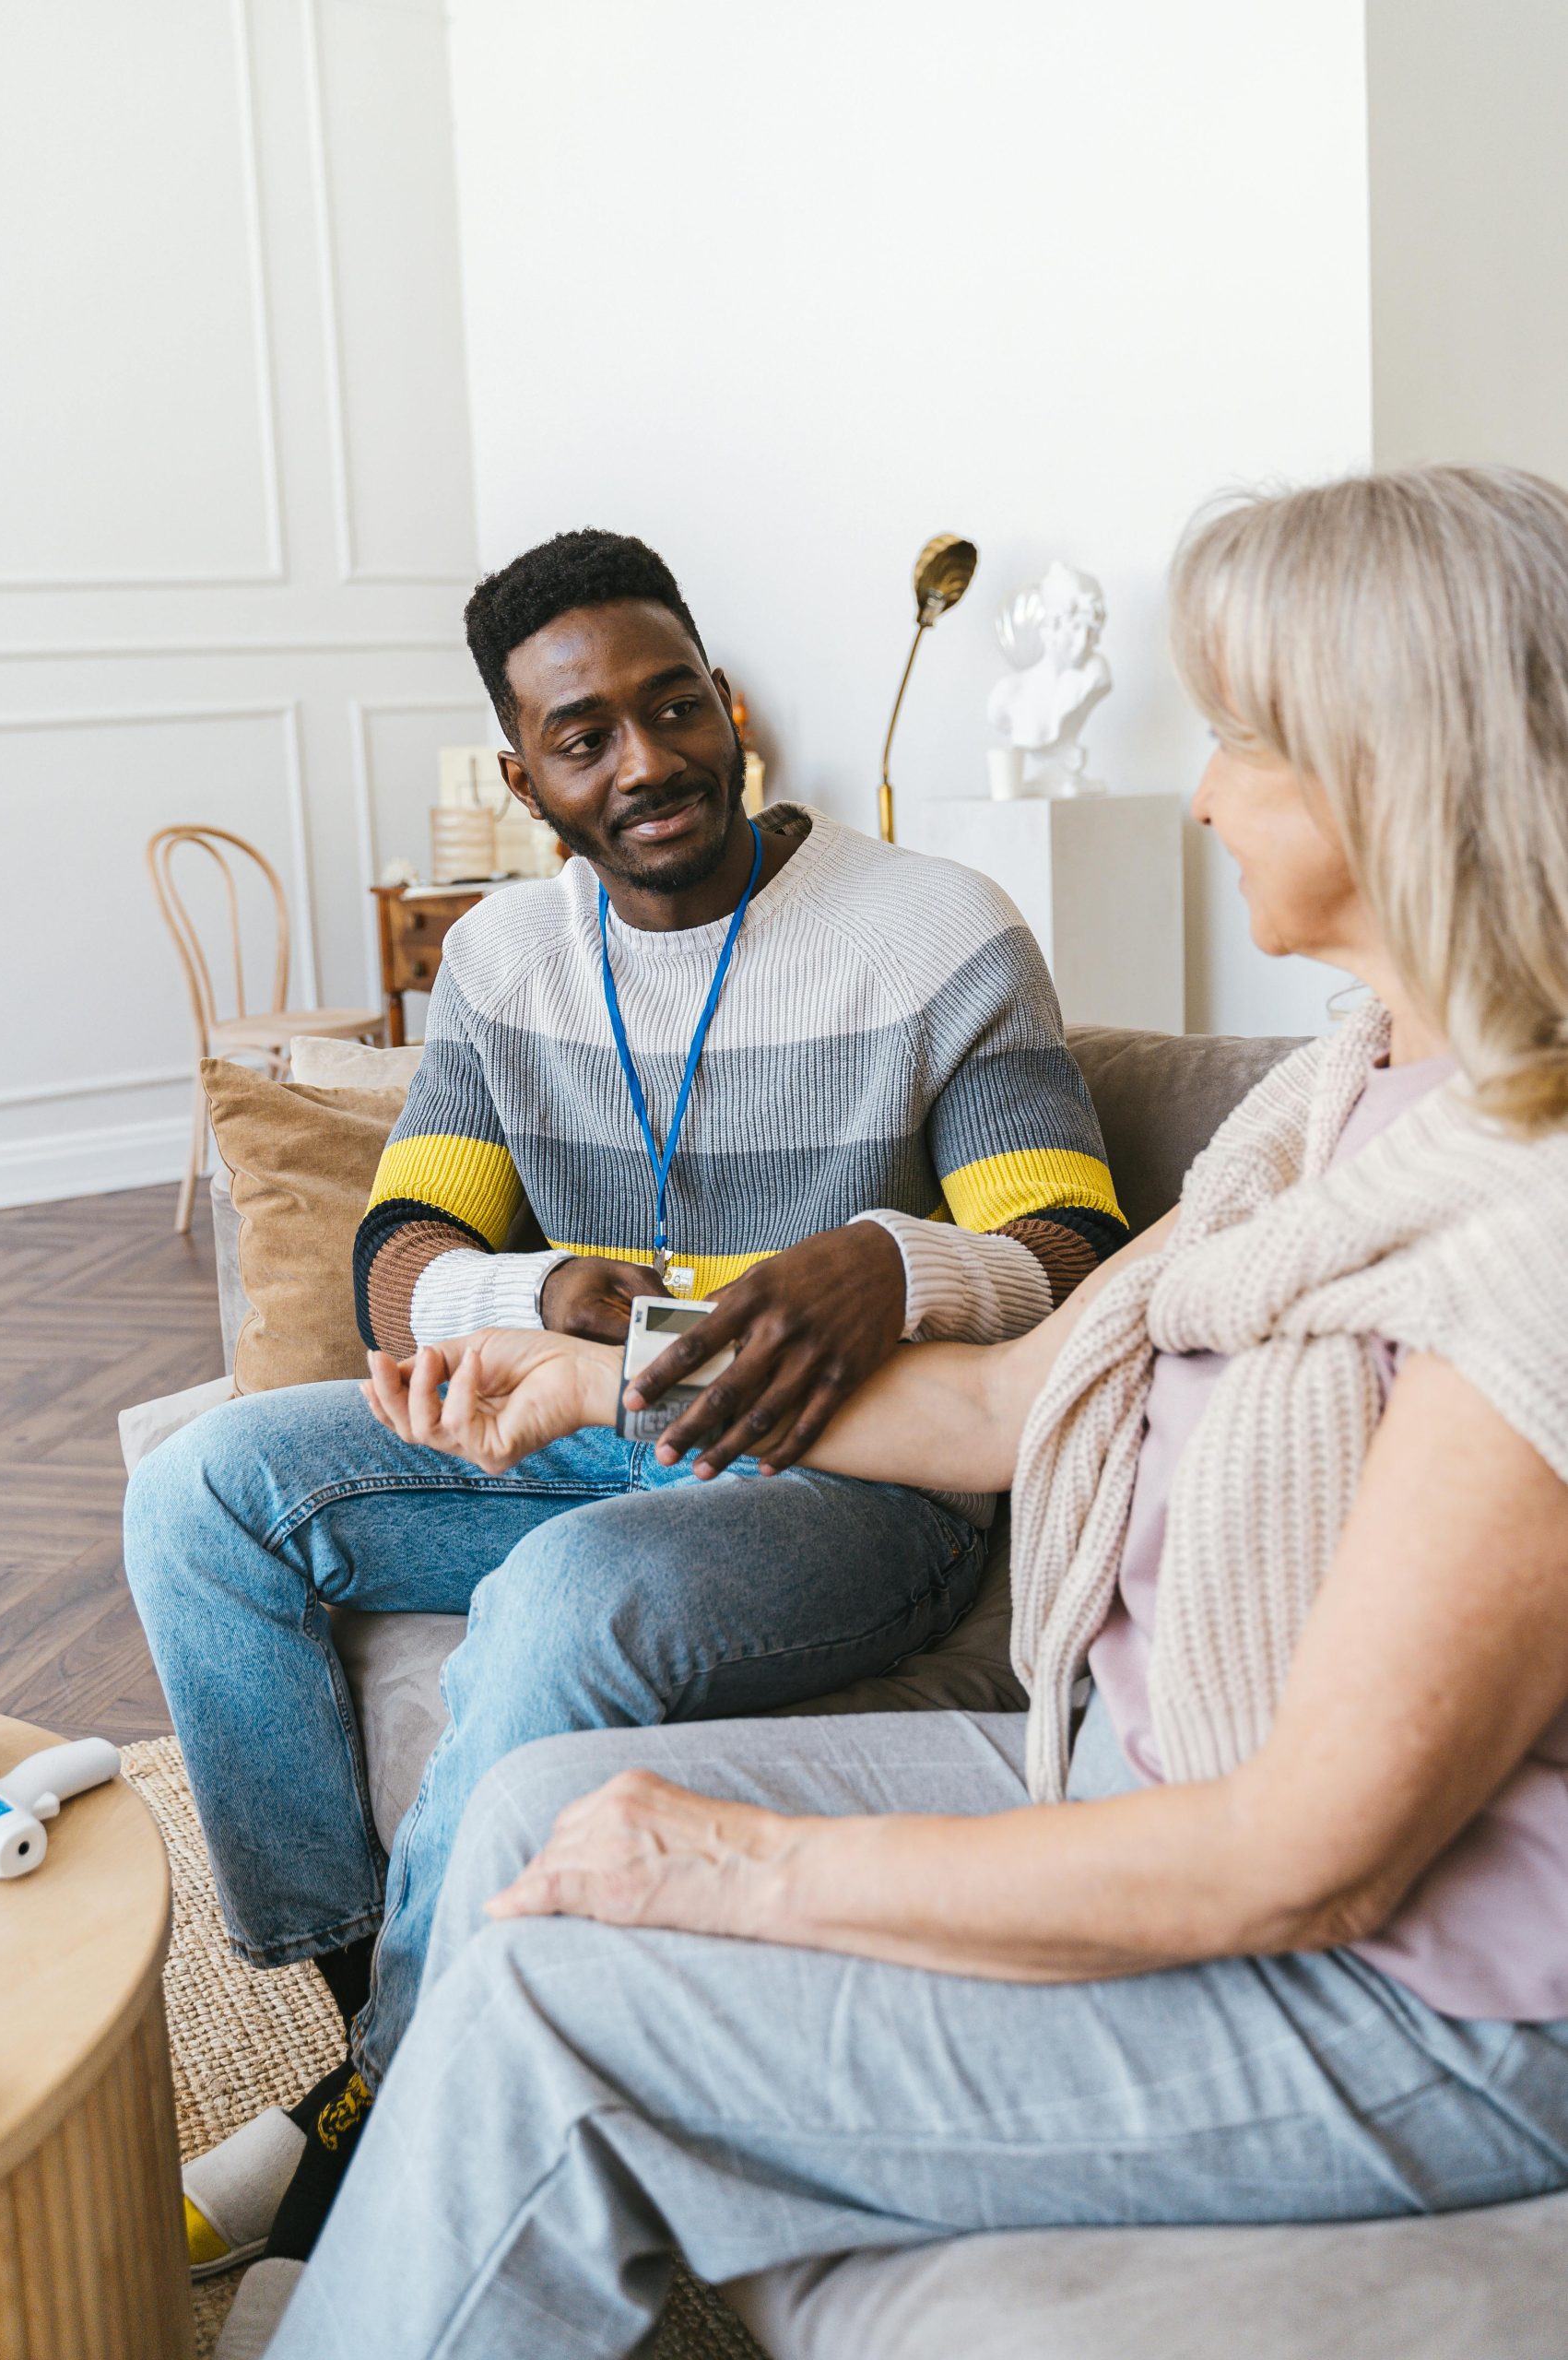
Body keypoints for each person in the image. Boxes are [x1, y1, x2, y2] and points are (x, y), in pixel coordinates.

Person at [250, 466, 1568, 2359]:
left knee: (570, 1988)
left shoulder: (1522, 1233)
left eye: (1242, 740)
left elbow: (1309, 1849)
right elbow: (1023, 1398)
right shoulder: (1339, 1093)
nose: (1196, 791)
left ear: (1396, 768)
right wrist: (603, 1373)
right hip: (1142, 1768)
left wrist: (752, 1865)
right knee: (537, 1799)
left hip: (1416, 1996)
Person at [124, 529, 1124, 2272]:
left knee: (569, 1597)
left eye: (675, 706)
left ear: (723, 702)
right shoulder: (507, 962)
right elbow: (402, 1253)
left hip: (848, 1485)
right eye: (585, 737)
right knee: (198, 1492)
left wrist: (893, 1262)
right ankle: (378, 2025)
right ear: (526, 778)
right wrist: (538, 1295)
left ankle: (376, 2124)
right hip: (571, 1427)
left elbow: (1069, 1244)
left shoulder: (938, 929)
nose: (647, 759)